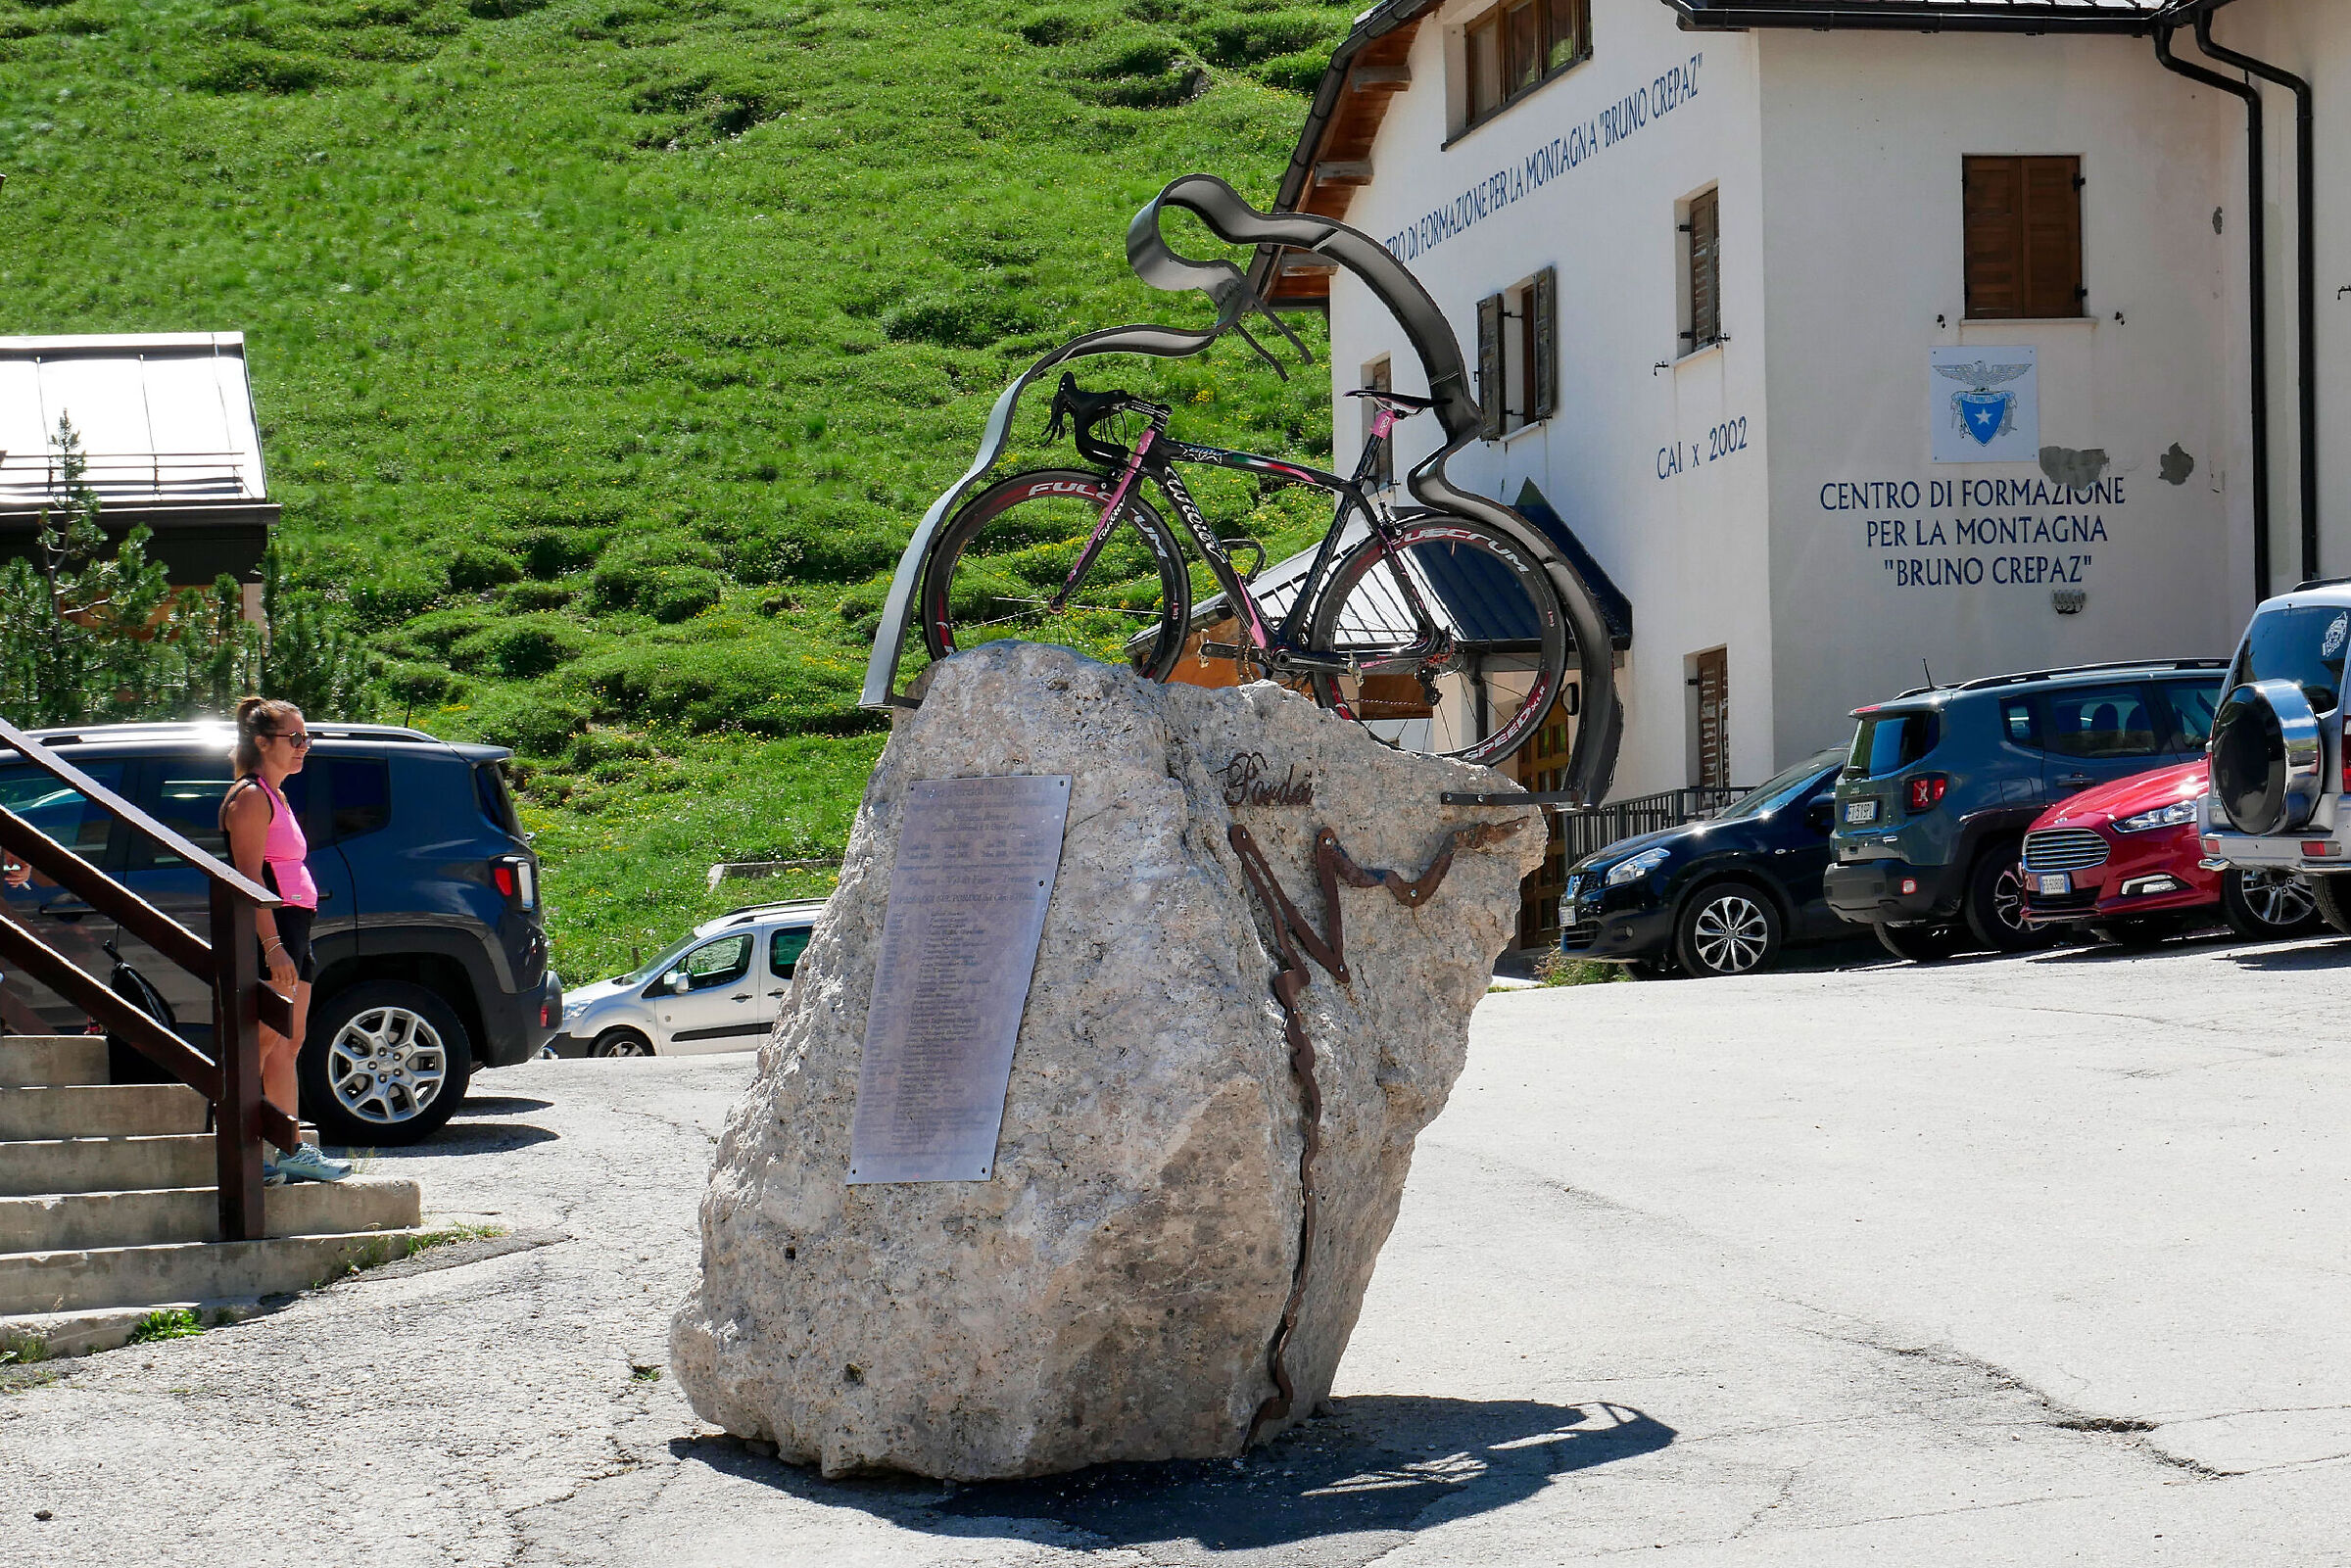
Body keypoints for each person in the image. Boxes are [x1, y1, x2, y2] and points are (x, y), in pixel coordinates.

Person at [220, 697, 351, 1186]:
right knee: (262, 1041)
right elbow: (248, 880)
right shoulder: (251, 796)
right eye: (293, 739)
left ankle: (288, 1149)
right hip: (273, 932)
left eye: (306, 738)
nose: (303, 747)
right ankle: (232, 1143)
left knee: (288, 1042)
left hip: (298, 928)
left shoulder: (276, 793)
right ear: (261, 743)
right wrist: (273, 948)